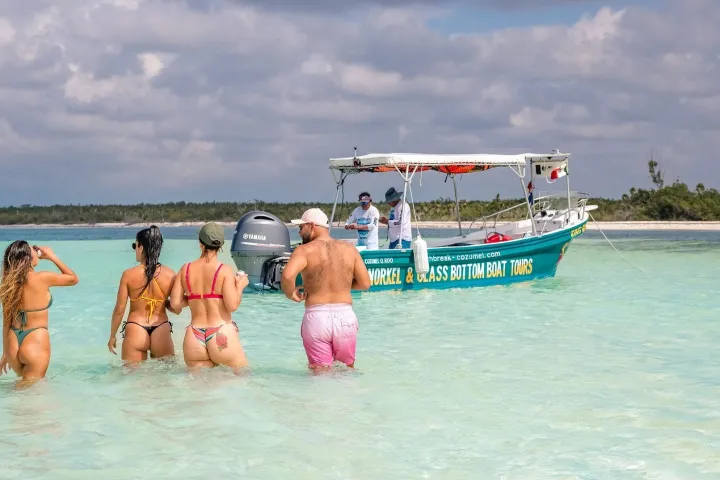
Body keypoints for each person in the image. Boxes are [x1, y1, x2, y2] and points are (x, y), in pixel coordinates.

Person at [281, 208, 371, 372]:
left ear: (312, 225)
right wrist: (342, 285)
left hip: (317, 319)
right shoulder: (349, 249)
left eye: (301, 228)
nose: (300, 233)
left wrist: (291, 294)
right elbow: (365, 284)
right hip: (345, 317)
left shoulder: (304, 251)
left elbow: (287, 277)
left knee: (320, 375)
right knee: (347, 372)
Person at [169, 222, 250, 373]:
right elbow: (232, 305)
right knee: (243, 377)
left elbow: (175, 304)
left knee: (200, 393)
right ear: (220, 246)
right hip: (220, 333)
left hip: (194, 336)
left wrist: (194, 298)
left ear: (201, 244)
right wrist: (240, 286)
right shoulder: (224, 270)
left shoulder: (185, 269)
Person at [0, 241, 78, 386]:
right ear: (28, 257)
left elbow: (6, 320)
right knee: (31, 395)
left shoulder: (7, 283)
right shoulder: (42, 278)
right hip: (34, 340)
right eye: (34, 250)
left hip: (12, 342)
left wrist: (6, 352)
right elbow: (73, 279)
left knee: (23, 390)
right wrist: (52, 256)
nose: (37, 252)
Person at [108, 226, 179, 364]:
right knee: (166, 379)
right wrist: (164, 303)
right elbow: (177, 309)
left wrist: (112, 336)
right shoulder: (170, 275)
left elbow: (119, 310)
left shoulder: (128, 275)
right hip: (161, 328)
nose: (135, 249)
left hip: (136, 328)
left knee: (132, 380)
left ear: (141, 247)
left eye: (135, 245)